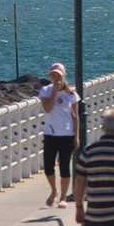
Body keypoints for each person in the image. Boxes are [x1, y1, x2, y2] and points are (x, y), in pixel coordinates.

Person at [38, 62, 80, 208]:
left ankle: (62, 197)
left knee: (64, 167)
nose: (56, 77)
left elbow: (76, 117)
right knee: (48, 166)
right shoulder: (45, 91)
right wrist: (55, 92)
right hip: (50, 134)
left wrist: (76, 137)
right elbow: (48, 109)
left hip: (66, 135)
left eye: (58, 75)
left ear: (63, 75)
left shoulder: (71, 94)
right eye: (53, 75)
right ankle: (54, 191)